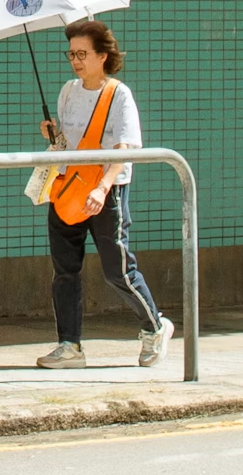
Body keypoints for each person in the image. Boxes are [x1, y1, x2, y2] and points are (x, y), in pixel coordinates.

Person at [36, 19, 173, 370]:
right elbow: (67, 143)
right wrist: (53, 134)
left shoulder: (118, 94)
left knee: (118, 270)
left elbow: (124, 147)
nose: (75, 61)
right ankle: (69, 345)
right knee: (65, 270)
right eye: (71, 54)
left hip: (106, 190)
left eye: (82, 54)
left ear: (103, 56)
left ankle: (154, 326)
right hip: (67, 188)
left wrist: (102, 187)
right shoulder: (68, 90)